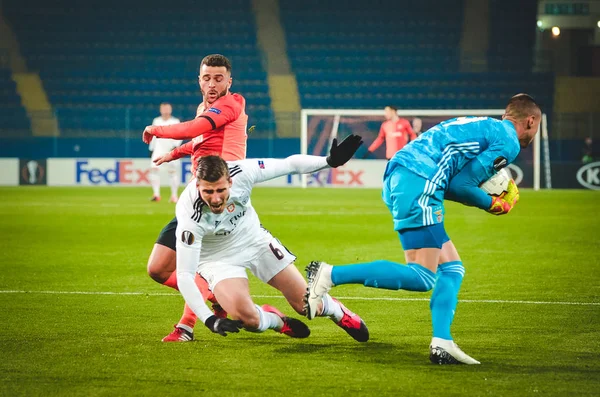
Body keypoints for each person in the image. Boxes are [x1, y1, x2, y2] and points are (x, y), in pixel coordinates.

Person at [305, 94, 542, 365]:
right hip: (420, 180)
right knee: (423, 276)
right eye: (536, 128)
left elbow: (453, 179)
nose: (534, 134)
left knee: (452, 268)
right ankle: (329, 274)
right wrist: (494, 204)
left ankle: (442, 342)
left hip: (406, 176)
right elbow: (461, 186)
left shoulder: (484, 126)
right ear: (530, 121)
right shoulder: (509, 141)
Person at [175, 136, 370, 342]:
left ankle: (337, 311)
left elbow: (289, 164)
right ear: (197, 186)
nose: (215, 199)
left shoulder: (242, 172)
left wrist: (328, 161)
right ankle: (277, 321)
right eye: (208, 191)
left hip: (254, 240)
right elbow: (185, 275)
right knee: (248, 320)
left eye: (221, 190)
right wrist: (209, 319)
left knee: (308, 306)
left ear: (230, 181)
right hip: (217, 259)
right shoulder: (189, 215)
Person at [141, 54, 249, 342]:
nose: (212, 83)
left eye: (218, 78)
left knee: (191, 266)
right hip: (196, 197)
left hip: (219, 200)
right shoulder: (206, 107)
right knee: (158, 268)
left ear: (229, 81)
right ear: (199, 80)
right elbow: (198, 140)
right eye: (206, 77)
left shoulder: (231, 103)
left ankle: (186, 326)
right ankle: (214, 295)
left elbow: (191, 129)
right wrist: (173, 153)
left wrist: (156, 130)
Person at [148, 103, 182, 203]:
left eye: (167, 108)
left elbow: (180, 133)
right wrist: (151, 148)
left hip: (171, 149)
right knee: (154, 170)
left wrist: (176, 146)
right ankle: (156, 194)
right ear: (160, 110)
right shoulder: (156, 121)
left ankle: (174, 196)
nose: (166, 110)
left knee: (172, 172)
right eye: (164, 108)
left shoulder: (175, 121)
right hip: (158, 149)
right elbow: (153, 135)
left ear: (171, 110)